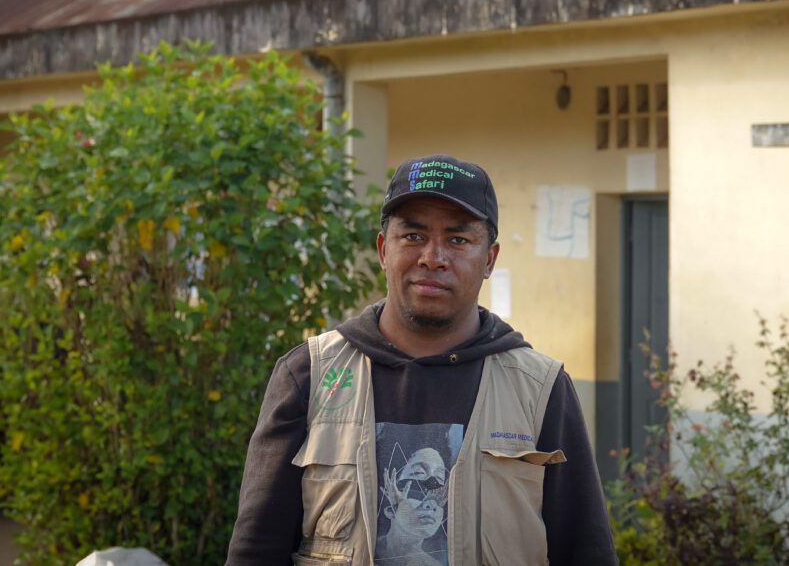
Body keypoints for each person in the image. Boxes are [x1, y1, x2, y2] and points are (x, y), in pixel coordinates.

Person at [226, 155, 617, 565]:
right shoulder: (310, 375)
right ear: (383, 250)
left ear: (489, 259)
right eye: (413, 236)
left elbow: (585, 551)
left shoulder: (539, 389)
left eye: (458, 239)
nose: (433, 257)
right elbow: (257, 549)